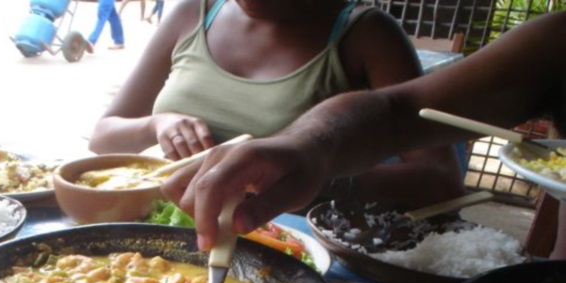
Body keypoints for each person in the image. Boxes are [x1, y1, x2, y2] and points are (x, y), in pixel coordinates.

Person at [160, 11, 566, 257]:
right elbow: (396, 109)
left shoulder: (365, 29)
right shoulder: (557, 42)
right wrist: (303, 147)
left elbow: (439, 180)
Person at [89, 0, 464, 207]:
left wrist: (308, 176)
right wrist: (156, 124)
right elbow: (103, 138)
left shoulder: (365, 33)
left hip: (294, 243)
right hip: (171, 219)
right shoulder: (194, 13)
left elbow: (439, 179)